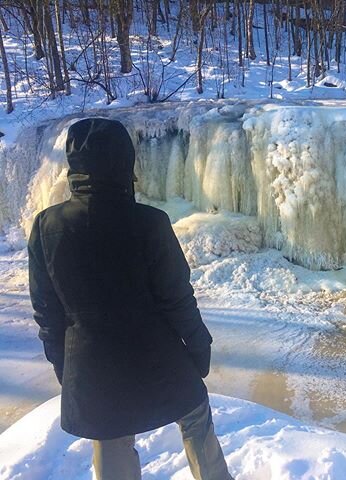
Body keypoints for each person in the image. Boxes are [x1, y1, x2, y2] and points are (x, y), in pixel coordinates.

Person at [28, 117, 233, 480]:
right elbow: (178, 297)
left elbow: (47, 312)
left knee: (110, 435)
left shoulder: (46, 227)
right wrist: (199, 348)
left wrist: (66, 367)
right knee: (196, 414)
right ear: (126, 161)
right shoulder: (150, 222)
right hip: (157, 352)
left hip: (91, 358)